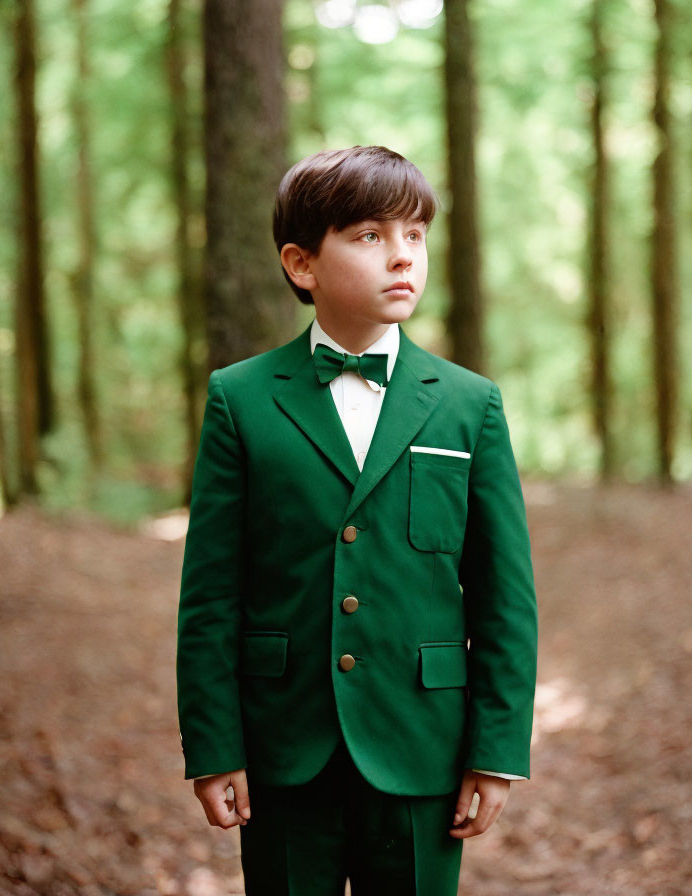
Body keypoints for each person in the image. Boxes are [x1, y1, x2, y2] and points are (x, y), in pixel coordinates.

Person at [176, 145, 538, 895]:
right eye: (371, 236)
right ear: (302, 264)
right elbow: (211, 592)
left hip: (423, 746)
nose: (402, 256)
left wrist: (496, 750)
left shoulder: (471, 405)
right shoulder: (240, 400)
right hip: (284, 747)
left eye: (415, 235)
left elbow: (505, 595)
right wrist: (215, 746)